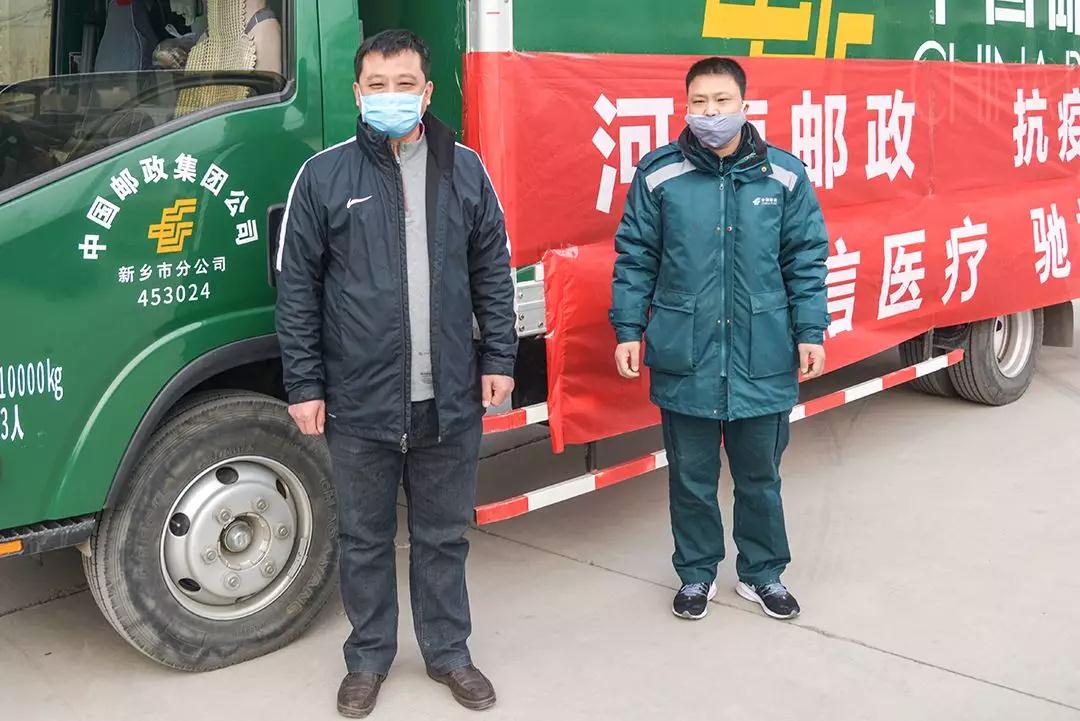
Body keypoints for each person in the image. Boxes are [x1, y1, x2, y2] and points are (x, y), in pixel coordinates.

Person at [275, 29, 516, 718]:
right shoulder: (323, 176)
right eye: (377, 85)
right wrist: (305, 385)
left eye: (404, 84)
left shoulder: (464, 169)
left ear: (427, 91)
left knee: (444, 536)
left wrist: (499, 358)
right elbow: (296, 291)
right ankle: (368, 658)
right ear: (357, 93)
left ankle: (449, 653)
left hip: (449, 395)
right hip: (359, 399)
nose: (391, 96)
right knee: (363, 539)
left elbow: (492, 270)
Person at [610, 57, 829, 623]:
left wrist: (811, 330)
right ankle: (697, 573)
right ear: (684, 107)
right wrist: (628, 329)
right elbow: (636, 257)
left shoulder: (784, 175)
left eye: (722, 101)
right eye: (700, 102)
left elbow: (806, 259)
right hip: (687, 352)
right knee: (691, 478)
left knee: (761, 476)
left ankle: (763, 574)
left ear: (744, 105)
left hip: (764, 351)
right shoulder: (659, 175)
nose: (711, 113)